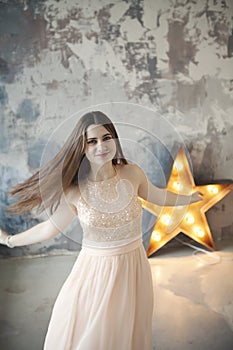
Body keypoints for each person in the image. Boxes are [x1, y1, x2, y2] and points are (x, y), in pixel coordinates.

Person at [0, 111, 201, 350]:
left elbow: (157, 195)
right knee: (94, 337)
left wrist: (187, 198)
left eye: (106, 138)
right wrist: (9, 241)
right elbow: (48, 229)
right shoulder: (75, 191)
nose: (101, 146)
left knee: (126, 332)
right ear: (82, 148)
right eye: (92, 141)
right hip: (96, 273)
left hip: (134, 266)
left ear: (114, 139)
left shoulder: (132, 173)